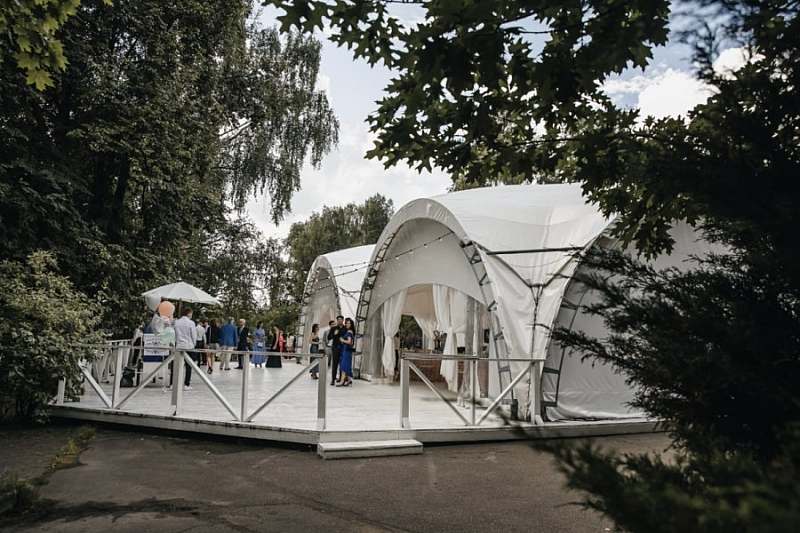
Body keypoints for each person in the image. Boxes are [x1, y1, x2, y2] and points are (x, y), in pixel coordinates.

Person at [172, 307, 197, 390]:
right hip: (189, 346)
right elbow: (193, 335)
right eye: (191, 313)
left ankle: (173, 383)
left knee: (176, 365)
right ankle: (186, 384)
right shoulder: (191, 323)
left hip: (179, 345)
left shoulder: (177, 322)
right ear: (189, 313)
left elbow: (175, 334)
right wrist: (194, 344)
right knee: (188, 366)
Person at [336, 318, 355, 387]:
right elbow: (351, 342)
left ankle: (342, 381)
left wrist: (342, 340)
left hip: (346, 351)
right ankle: (349, 380)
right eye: (346, 323)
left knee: (343, 366)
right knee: (347, 366)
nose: (347, 324)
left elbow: (350, 342)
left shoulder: (349, 332)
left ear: (351, 324)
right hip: (347, 350)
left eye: (348, 323)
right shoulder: (350, 331)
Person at [328, 315, 344, 386]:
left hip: (343, 349)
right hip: (335, 348)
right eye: (338, 320)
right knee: (335, 364)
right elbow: (329, 337)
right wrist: (334, 334)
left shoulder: (345, 328)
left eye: (341, 319)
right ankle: (333, 379)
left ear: (343, 320)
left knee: (342, 364)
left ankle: (341, 379)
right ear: (337, 321)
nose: (340, 321)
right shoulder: (333, 328)